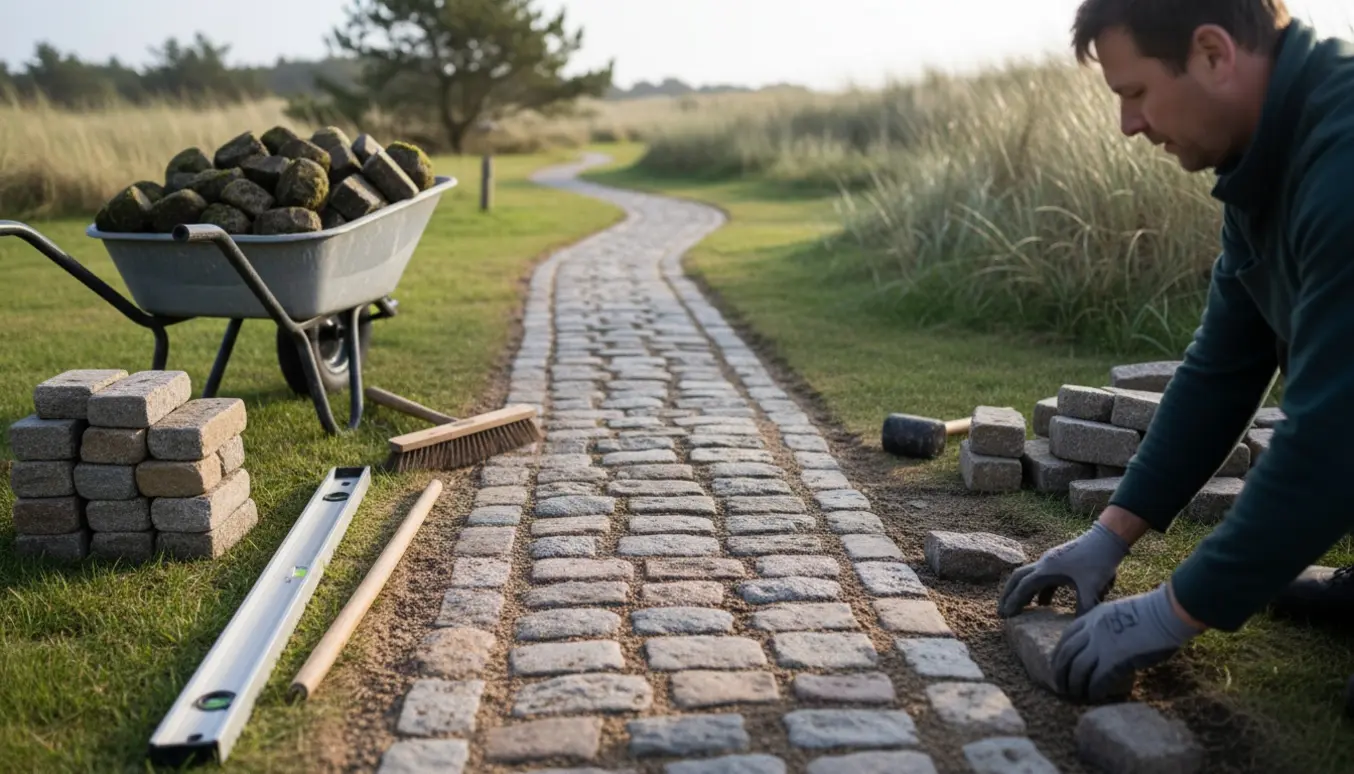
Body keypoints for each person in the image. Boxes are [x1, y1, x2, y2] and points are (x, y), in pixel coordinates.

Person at [996, 0, 1354, 703]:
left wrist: (1173, 609)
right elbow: (1222, 366)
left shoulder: (1343, 166)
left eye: (1134, 93)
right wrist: (1110, 534)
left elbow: (1334, 439)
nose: (1128, 125)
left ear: (1214, 54)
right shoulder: (1268, 159)